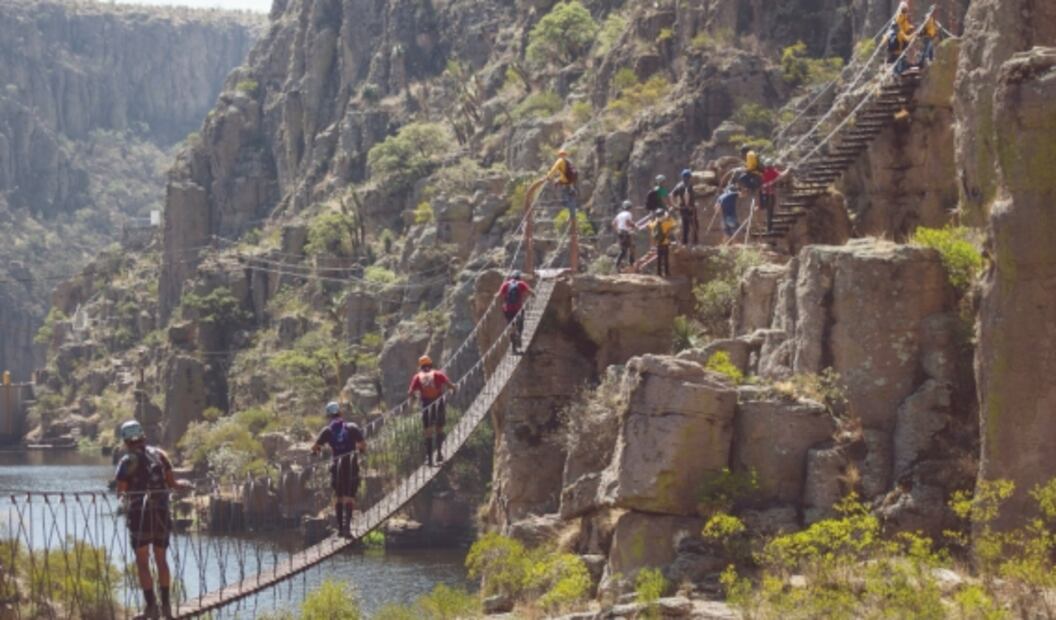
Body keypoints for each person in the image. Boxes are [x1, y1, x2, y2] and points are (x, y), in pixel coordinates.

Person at [114, 420, 191, 619]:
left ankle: (152, 608)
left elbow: (121, 491)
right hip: (162, 513)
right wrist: (181, 484)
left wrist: (125, 496)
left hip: (140, 516)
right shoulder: (160, 455)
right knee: (161, 560)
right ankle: (166, 607)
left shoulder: (127, 461)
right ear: (143, 436)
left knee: (142, 562)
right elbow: (171, 483)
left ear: (125, 441)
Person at [311, 402, 366, 538]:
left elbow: (315, 447)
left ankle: (341, 530)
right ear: (340, 413)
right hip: (351, 466)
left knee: (339, 497)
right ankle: (347, 528)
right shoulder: (352, 427)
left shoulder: (327, 431)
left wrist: (316, 452)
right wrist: (362, 450)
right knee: (349, 498)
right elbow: (362, 445)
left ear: (328, 416)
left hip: (337, 466)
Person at [408, 356, 457, 466]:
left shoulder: (417, 377)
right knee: (439, 429)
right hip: (439, 404)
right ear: (430, 364)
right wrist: (454, 389)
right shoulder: (437, 374)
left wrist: (414, 398)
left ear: (421, 366)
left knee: (428, 432)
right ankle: (439, 453)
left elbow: (410, 392)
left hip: (426, 405)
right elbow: (450, 385)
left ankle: (429, 459)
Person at [497, 271, 534, 354]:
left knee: (511, 327)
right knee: (520, 325)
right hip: (518, 309)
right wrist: (533, 295)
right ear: (519, 277)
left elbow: (499, 295)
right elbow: (531, 292)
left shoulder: (506, 284)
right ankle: (519, 334)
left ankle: (513, 349)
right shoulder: (521, 283)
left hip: (507, 310)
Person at [547, 149, 579, 221]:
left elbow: (553, 169)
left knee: (565, 198)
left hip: (567, 181)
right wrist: (559, 180)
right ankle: (573, 213)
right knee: (571, 197)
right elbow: (565, 173)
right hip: (571, 181)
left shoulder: (560, 160)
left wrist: (548, 177)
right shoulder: (568, 161)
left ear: (559, 155)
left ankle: (572, 214)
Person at [671, 169, 699, 246]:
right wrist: (688, 206)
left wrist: (675, 205)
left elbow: (672, 195)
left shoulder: (678, 185)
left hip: (682, 209)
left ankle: (685, 242)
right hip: (689, 208)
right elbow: (686, 194)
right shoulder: (688, 185)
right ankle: (695, 242)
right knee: (694, 225)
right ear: (688, 177)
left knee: (685, 226)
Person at [647, 208, 676, 277]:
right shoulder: (666, 223)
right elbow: (674, 224)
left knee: (659, 259)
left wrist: (651, 219)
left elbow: (649, 225)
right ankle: (666, 273)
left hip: (658, 243)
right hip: (665, 243)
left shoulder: (654, 224)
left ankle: (659, 273)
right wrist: (669, 217)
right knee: (666, 259)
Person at [612, 200, 637, 270]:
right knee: (631, 247)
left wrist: (617, 230)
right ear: (630, 207)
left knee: (624, 250)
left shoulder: (619, 214)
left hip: (620, 233)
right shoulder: (628, 214)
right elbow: (628, 222)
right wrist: (634, 225)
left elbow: (613, 223)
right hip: (626, 233)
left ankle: (617, 264)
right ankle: (631, 263)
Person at [760, 164, 781, 233]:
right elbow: (780, 176)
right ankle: (769, 229)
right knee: (770, 212)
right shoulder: (773, 171)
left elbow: (763, 182)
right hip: (770, 194)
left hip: (764, 194)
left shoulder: (764, 172)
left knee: (768, 212)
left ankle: (768, 228)